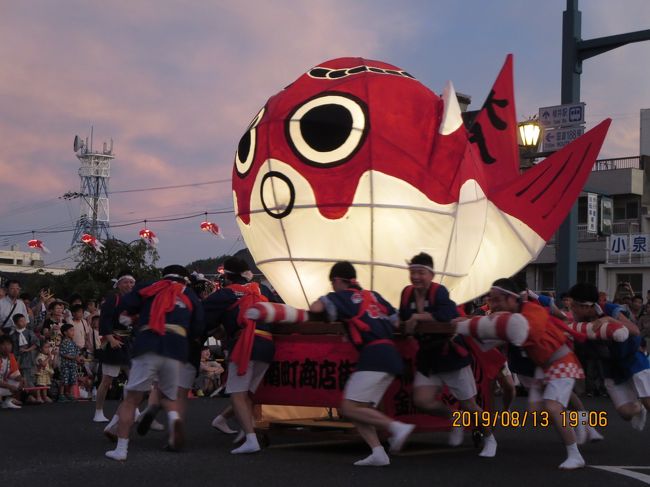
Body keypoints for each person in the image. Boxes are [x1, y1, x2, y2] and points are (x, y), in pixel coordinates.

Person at [309, 261, 414, 467]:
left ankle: (396, 427)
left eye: (333, 283)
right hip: (389, 353)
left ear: (338, 280)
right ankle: (378, 452)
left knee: (349, 407)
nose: (332, 287)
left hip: (374, 356)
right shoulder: (374, 295)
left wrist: (330, 302)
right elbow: (396, 321)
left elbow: (315, 308)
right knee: (359, 408)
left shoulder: (341, 296)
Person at [399, 252, 496, 456]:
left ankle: (490, 438)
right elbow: (403, 317)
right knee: (422, 400)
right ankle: (455, 420)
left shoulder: (439, 291)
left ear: (431, 274)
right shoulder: (407, 293)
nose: (416, 277)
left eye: (421, 272)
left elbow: (448, 314)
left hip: (449, 353)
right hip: (427, 355)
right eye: (413, 272)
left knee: (470, 404)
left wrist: (418, 316)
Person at [105, 265, 204, 461]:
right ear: (184, 279)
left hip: (148, 342)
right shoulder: (190, 294)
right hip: (176, 348)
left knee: (131, 399)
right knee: (169, 394)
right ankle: (174, 420)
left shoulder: (151, 286)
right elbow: (199, 326)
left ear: (164, 275)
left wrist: (135, 316)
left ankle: (121, 449)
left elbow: (126, 303)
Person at [488, 278, 586, 469]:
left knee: (553, 406)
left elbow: (526, 333)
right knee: (537, 413)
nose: (493, 304)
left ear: (511, 298)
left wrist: (495, 326)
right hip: (542, 367)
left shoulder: (532, 311)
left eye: (497, 299)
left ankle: (576, 452)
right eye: (491, 299)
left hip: (561, 361)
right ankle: (577, 424)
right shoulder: (512, 314)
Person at [203, 257, 276, 454]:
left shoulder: (225, 294)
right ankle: (235, 425)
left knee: (237, 393)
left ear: (226, 276)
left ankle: (251, 439)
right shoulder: (263, 290)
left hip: (245, 345)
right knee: (247, 393)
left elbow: (204, 318)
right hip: (267, 345)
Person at [568, 282, 650, 431]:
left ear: (586, 306)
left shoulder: (609, 309)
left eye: (574, 305)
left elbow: (635, 330)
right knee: (626, 413)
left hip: (632, 358)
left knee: (648, 400)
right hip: (610, 366)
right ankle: (640, 407)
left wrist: (608, 320)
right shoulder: (577, 322)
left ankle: (644, 403)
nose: (571, 308)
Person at [95, 270, 136, 423]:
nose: (129, 285)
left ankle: (135, 410)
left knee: (134, 378)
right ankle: (98, 411)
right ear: (118, 284)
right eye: (126, 282)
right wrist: (110, 338)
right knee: (107, 380)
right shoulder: (112, 300)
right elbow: (104, 321)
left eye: (132, 282)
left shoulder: (134, 300)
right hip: (114, 341)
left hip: (128, 342)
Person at [10, 313, 39, 403]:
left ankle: (30, 396)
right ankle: (18, 398)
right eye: (21, 321)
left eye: (24, 320)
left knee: (29, 378)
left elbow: (36, 344)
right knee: (17, 378)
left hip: (28, 359)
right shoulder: (13, 335)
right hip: (16, 359)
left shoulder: (29, 332)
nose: (24, 322)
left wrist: (27, 350)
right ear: (16, 323)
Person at [59, 323, 83, 402]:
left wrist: (79, 358)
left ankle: (70, 394)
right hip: (65, 365)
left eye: (73, 330)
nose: (73, 332)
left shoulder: (73, 342)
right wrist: (74, 358)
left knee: (72, 379)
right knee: (64, 379)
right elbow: (63, 353)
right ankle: (61, 394)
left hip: (73, 365)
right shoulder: (64, 342)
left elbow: (77, 352)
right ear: (65, 332)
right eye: (71, 330)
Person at [0, 335, 23, 409]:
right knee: (12, 385)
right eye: (3, 344)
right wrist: (9, 386)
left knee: (19, 382)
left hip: (3, 382)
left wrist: (21, 379)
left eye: (9, 344)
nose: (6, 347)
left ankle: (7, 402)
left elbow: (15, 374)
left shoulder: (11, 356)